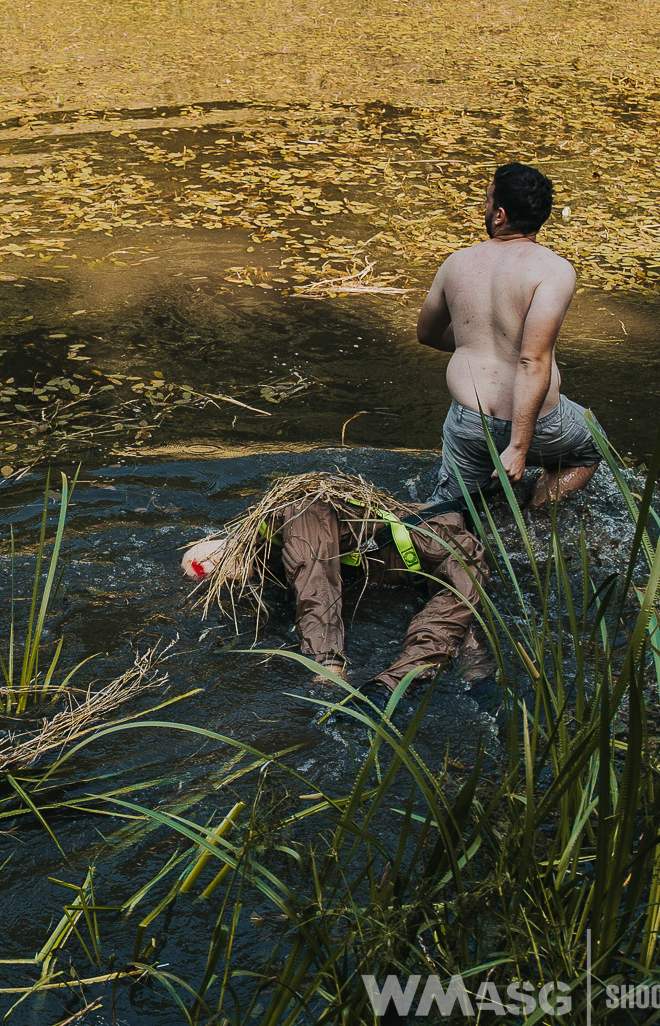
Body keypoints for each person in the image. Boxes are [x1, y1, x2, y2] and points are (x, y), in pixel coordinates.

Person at [181, 475, 489, 702]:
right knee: (461, 635)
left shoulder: (301, 508)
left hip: (446, 546)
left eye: (218, 572)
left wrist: (329, 666)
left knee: (449, 621)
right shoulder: (269, 550)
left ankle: (392, 687)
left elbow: (315, 585)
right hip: (417, 566)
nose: (233, 579)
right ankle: (463, 676)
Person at [415, 162, 599, 509]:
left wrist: (474, 340)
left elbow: (427, 333)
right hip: (544, 424)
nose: (484, 208)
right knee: (590, 450)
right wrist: (519, 444)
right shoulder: (554, 269)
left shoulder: (456, 263)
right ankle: (538, 513)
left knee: (447, 514)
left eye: (487, 201)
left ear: (499, 215)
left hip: (470, 423)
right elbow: (532, 360)